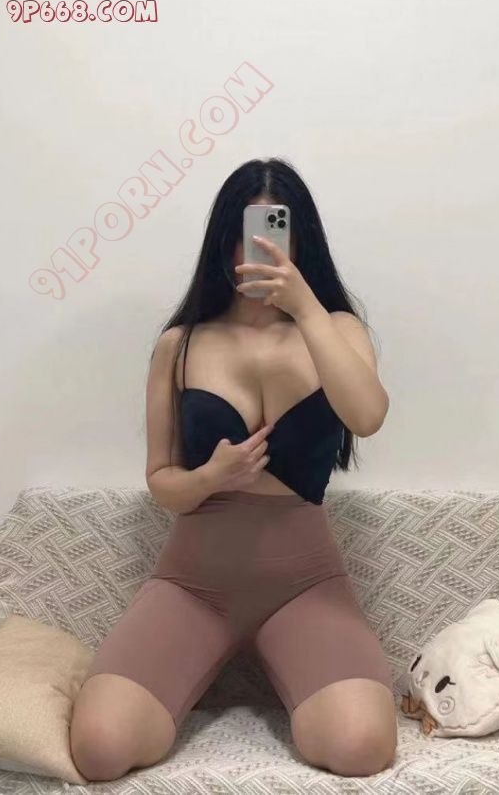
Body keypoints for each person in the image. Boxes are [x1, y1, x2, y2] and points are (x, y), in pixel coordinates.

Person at [69, 158, 397, 780]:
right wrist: (209, 478)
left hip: (305, 586)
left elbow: (368, 415)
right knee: (100, 749)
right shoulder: (180, 344)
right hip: (193, 585)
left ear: (302, 240)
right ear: (225, 238)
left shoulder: (338, 329)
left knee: (361, 747)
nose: (261, 248)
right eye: (247, 231)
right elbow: (162, 482)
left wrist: (306, 309)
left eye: (278, 231)